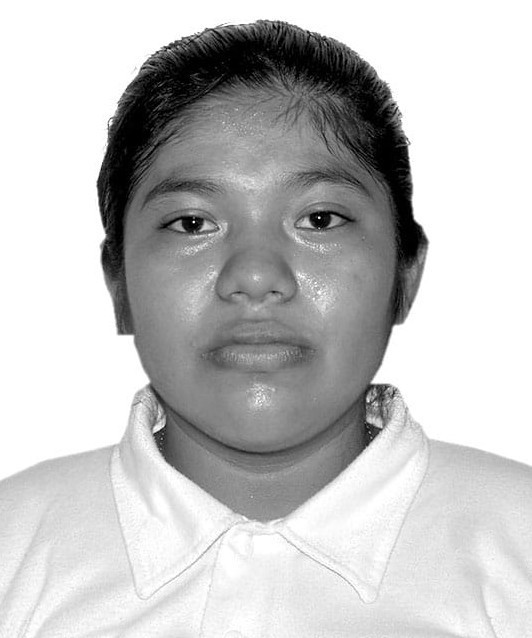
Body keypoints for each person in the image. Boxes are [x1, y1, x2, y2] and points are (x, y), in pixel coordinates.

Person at [0, 19, 530, 637]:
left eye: (320, 219)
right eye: (192, 224)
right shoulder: (14, 553)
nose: (254, 277)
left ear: (405, 274)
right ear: (118, 283)